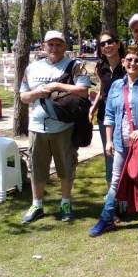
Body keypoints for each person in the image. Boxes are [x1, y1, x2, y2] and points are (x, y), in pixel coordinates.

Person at [89, 45, 138, 237]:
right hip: (121, 143)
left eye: (137, 61)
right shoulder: (116, 86)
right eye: (129, 60)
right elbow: (108, 115)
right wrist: (108, 141)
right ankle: (106, 218)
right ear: (123, 62)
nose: (133, 63)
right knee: (115, 180)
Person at [20, 30, 91, 224]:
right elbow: (23, 96)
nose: (54, 48)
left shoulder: (75, 65)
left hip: (64, 127)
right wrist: (37, 93)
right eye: (50, 44)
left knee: (66, 167)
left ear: (65, 46)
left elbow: (84, 91)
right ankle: (37, 205)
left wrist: (55, 87)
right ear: (43, 46)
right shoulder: (32, 68)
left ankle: (66, 203)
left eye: (59, 44)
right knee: (37, 168)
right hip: (36, 127)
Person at [88, 31, 126, 191]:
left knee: (125, 154)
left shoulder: (127, 64)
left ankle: (126, 195)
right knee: (109, 154)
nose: (106, 46)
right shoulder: (101, 67)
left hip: (125, 116)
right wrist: (93, 107)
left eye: (110, 42)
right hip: (105, 117)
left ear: (117, 44)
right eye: (102, 44)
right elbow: (103, 89)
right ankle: (112, 196)